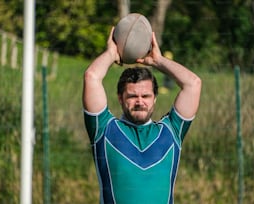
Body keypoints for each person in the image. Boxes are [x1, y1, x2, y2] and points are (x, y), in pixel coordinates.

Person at [83, 27, 202, 204]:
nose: (140, 102)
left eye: (145, 96)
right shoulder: (104, 129)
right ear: (120, 99)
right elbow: (91, 76)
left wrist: (158, 61)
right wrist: (111, 54)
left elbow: (193, 84)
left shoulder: (171, 132)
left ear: (154, 99)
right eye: (132, 96)